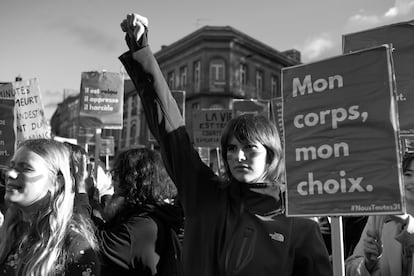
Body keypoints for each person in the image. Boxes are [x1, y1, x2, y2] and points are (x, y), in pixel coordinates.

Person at [118, 13, 333, 276]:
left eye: (250, 148)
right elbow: (171, 130)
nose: (238, 156)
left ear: (271, 154)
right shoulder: (204, 194)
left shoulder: (297, 224)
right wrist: (142, 53)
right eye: (231, 148)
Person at [0, 138, 101, 275]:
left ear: (56, 182)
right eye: (11, 166)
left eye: (26, 169)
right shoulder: (8, 232)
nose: (10, 174)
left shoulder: (75, 250)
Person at [90, 148, 183, 276]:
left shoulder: (144, 225)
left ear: (134, 180)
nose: (113, 181)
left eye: (117, 174)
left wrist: (82, 194)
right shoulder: (139, 215)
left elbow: (93, 243)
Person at [346, 152, 414, 276]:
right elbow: (350, 268)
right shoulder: (380, 216)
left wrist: (407, 223)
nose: (412, 181)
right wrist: (368, 263)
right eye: (408, 174)